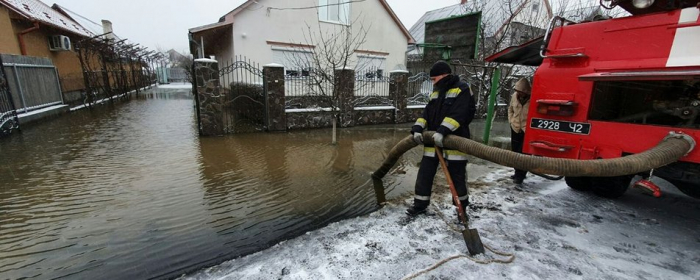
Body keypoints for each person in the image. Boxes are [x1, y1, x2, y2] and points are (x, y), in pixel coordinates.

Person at [406, 61, 476, 216]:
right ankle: (420, 205)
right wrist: (417, 129)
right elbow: (427, 114)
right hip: (433, 142)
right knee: (424, 174)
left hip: (455, 142)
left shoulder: (463, 89)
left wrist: (443, 131)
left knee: (457, 178)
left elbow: (460, 114)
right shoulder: (436, 93)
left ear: (445, 75)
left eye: (434, 79)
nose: (432, 82)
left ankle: (461, 208)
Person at [508, 78, 531, 185]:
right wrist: (511, 120)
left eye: (521, 92)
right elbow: (510, 109)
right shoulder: (514, 96)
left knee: (524, 153)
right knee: (515, 151)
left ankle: (521, 175)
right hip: (515, 128)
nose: (519, 93)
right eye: (517, 91)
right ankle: (517, 172)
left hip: (526, 129)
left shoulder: (533, 98)